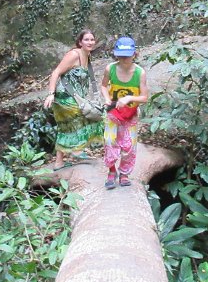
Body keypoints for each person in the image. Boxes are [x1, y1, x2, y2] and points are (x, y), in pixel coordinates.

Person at [43, 29, 104, 170]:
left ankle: (59, 162)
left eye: (92, 39)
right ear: (80, 42)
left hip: (75, 97)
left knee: (66, 127)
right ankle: (77, 151)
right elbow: (56, 72)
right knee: (85, 117)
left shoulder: (87, 55)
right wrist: (51, 93)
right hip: (64, 96)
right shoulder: (73, 54)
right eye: (86, 40)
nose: (90, 42)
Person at [100, 36, 148, 189]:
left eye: (127, 56)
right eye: (121, 56)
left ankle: (124, 174)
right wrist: (107, 98)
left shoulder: (140, 73)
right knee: (109, 141)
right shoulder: (110, 68)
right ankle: (111, 171)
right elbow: (103, 86)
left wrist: (129, 98)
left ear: (134, 54)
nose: (124, 59)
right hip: (113, 111)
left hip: (131, 113)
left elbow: (144, 97)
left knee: (129, 145)